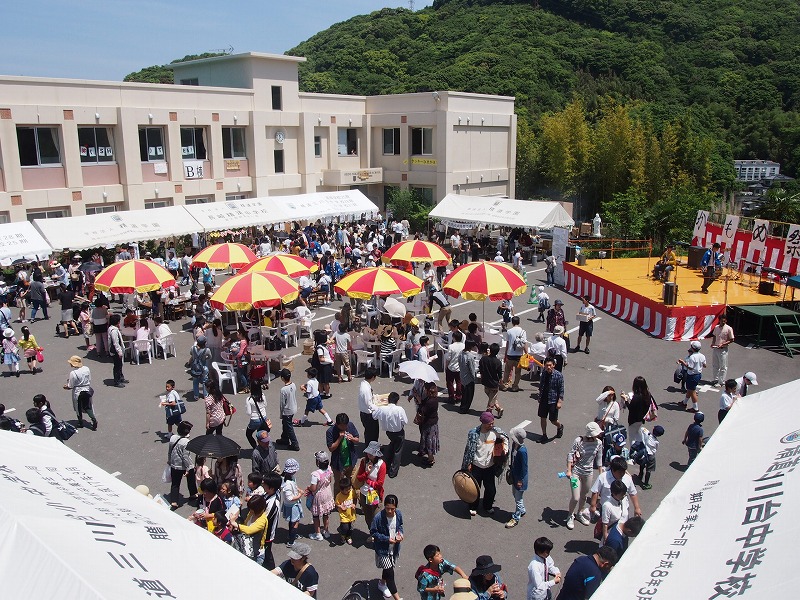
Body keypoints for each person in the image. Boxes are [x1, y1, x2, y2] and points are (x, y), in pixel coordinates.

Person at [461, 412, 508, 516]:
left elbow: (505, 438)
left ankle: (488, 506)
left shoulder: (496, 432)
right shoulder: (473, 434)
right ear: (483, 423)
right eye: (489, 424)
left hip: (489, 467)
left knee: (491, 490)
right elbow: (469, 450)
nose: (491, 425)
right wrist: (468, 463)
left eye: (492, 423)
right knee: (474, 489)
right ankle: (473, 506)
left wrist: (504, 449)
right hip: (476, 466)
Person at [565, 422, 603, 530]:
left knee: (584, 496)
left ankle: (580, 513)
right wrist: (569, 470)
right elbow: (570, 455)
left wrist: (601, 474)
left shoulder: (599, 443)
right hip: (575, 473)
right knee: (576, 497)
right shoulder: (579, 441)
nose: (598, 435)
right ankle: (570, 515)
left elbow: (599, 459)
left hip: (588, 473)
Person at [371, 494, 404, 600]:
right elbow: (373, 532)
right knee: (390, 573)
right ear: (384, 506)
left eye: (392, 509)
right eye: (387, 508)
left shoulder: (398, 514)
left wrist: (400, 534)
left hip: (394, 549)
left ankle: (382, 583)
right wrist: (386, 538)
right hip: (383, 550)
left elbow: (400, 526)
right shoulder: (378, 517)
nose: (390, 511)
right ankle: (398, 598)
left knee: (388, 568)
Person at [372, 391, 408, 478]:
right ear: (397, 401)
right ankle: (393, 472)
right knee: (397, 451)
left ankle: (385, 464)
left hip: (388, 432)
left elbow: (374, 416)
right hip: (398, 432)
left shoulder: (382, 409)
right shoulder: (399, 409)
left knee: (392, 444)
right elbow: (405, 421)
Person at [355, 440, 386, 530]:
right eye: (368, 453)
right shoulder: (364, 462)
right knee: (368, 517)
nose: (369, 455)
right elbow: (359, 478)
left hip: (374, 494)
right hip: (364, 493)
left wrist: (368, 481)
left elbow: (379, 484)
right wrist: (366, 472)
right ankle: (372, 533)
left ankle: (377, 535)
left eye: (371, 453)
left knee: (376, 516)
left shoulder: (381, 465)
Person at [326, 412, 360, 491]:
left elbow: (357, 439)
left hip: (351, 462)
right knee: (339, 485)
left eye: (346, 425)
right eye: (342, 425)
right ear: (337, 424)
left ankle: (351, 500)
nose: (345, 427)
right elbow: (331, 448)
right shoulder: (330, 431)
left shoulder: (350, 425)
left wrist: (353, 439)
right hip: (338, 465)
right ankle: (338, 502)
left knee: (353, 482)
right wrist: (339, 439)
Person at [307, 450, 336, 542]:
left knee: (316, 515)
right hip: (327, 493)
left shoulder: (315, 474)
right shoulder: (329, 469)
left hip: (319, 495)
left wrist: (309, 488)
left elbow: (313, 488)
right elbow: (330, 480)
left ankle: (318, 533)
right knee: (326, 513)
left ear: (318, 462)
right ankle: (326, 531)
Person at [168, 421, 197, 510]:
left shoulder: (173, 438)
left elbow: (170, 450)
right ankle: (193, 494)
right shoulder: (186, 442)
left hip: (174, 464)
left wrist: (169, 460)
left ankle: (174, 501)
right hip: (183, 465)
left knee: (175, 483)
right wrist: (189, 468)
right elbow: (186, 456)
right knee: (191, 479)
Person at [505, 426, 529, 528]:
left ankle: (516, 517)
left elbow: (524, 468)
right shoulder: (515, 445)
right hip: (515, 475)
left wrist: (520, 480)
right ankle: (522, 510)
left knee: (518, 499)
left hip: (520, 479)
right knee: (515, 494)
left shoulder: (522, 451)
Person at [64, 355, 95, 430]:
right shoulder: (86, 369)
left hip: (78, 392)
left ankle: (80, 421)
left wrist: (66, 386)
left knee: (78, 407)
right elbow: (89, 379)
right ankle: (93, 419)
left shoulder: (73, 373)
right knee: (88, 405)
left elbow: (71, 385)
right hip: (87, 389)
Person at [538, 357, 564, 442]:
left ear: (554, 365)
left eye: (550, 365)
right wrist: (539, 396)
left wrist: (560, 401)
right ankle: (544, 435)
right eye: (546, 365)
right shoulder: (544, 374)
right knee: (542, 417)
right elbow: (541, 386)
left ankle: (560, 426)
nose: (548, 367)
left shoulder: (558, 375)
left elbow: (561, 389)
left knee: (553, 420)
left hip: (553, 400)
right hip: (543, 399)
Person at [622, 376, 655, 445]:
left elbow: (631, 408)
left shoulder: (637, 397)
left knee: (632, 438)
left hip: (633, 420)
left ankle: (634, 452)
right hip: (641, 418)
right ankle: (641, 448)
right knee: (638, 434)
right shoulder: (647, 394)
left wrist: (625, 400)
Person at [416, 381, 441, 466]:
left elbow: (423, 410)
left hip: (429, 424)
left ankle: (431, 459)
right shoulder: (434, 399)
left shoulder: (431, 402)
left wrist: (419, 402)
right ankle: (429, 457)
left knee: (429, 442)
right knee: (429, 441)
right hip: (432, 423)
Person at [281, 458, 304, 547]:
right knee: (295, 522)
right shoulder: (287, 484)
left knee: (292, 521)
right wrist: (299, 495)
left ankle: (291, 535)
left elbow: (295, 486)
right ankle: (291, 541)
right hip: (292, 505)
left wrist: (299, 489)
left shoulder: (290, 479)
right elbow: (290, 498)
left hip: (292, 505)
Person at [678, 340, 706, 412]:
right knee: (689, 390)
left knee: (692, 392)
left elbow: (690, 367)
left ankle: (695, 408)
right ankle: (684, 402)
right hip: (698, 374)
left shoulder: (692, 357)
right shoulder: (702, 356)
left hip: (692, 376)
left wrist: (682, 362)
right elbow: (705, 365)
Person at [479, 343, 504, 419]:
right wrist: (501, 381)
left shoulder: (484, 359)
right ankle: (489, 412)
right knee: (492, 397)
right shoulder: (498, 362)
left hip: (485, 381)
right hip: (494, 383)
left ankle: (498, 408)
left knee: (491, 396)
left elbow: (480, 369)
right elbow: (499, 374)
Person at [276, 369, 300, 451]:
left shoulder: (283, 390)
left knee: (289, 427)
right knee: (285, 424)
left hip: (287, 411)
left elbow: (282, 403)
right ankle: (284, 438)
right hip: (293, 408)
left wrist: (281, 414)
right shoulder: (293, 385)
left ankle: (295, 443)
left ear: (282, 378)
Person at [502, 316, 526, 393]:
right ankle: (515, 386)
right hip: (519, 355)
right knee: (518, 372)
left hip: (510, 354)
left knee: (507, 371)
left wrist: (505, 355)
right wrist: (527, 353)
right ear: (519, 322)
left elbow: (508, 343)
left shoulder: (509, 331)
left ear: (512, 322)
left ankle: (505, 385)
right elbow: (524, 343)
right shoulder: (523, 331)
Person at [636, 424, 664, 490]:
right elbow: (655, 449)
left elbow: (642, 428)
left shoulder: (646, 433)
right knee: (649, 470)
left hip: (644, 453)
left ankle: (640, 475)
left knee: (642, 464)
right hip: (651, 456)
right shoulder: (656, 442)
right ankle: (646, 484)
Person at [710, 314, 734, 386]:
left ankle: (721, 381)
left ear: (726, 320)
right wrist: (713, 343)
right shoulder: (716, 327)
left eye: (724, 321)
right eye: (721, 321)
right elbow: (714, 335)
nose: (723, 322)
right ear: (719, 320)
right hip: (716, 348)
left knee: (723, 366)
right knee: (715, 365)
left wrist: (723, 344)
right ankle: (715, 379)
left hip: (723, 349)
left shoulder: (729, 328)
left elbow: (732, 339)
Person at [245, 383, 270, 448]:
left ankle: (255, 447)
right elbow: (265, 405)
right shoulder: (263, 396)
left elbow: (249, 413)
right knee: (262, 434)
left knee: (248, 434)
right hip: (263, 418)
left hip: (254, 420)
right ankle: (263, 446)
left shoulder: (249, 399)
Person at [359, 367, 380, 445]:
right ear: (373, 377)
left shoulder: (364, 384)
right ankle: (370, 451)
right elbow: (369, 404)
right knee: (372, 434)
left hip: (365, 413)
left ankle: (373, 447)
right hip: (368, 415)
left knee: (371, 433)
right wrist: (379, 408)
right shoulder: (366, 389)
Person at [335, 476, 358, 546]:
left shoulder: (352, 492)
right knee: (345, 527)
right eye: (346, 490)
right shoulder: (339, 496)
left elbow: (355, 498)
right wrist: (340, 506)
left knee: (351, 527)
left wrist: (354, 504)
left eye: (349, 488)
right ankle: (343, 535)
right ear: (341, 490)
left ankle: (348, 536)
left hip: (351, 514)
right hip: (344, 515)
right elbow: (336, 504)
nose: (348, 490)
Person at [459, 340, 479, 414]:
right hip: (469, 378)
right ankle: (465, 409)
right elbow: (472, 369)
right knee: (469, 395)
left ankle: (462, 406)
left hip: (462, 376)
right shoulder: (470, 356)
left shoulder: (461, 353)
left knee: (464, 394)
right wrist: (474, 378)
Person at [445, 330, 465, 403]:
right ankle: (458, 396)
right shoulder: (463, 346)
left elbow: (448, 358)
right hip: (460, 368)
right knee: (459, 382)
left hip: (451, 367)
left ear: (454, 338)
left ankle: (451, 397)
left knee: (450, 383)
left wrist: (446, 366)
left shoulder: (451, 346)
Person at [107, 313, 126, 388]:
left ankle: (121, 377)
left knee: (120, 365)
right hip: (115, 351)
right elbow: (115, 343)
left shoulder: (112, 328)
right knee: (117, 366)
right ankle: (117, 381)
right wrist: (119, 352)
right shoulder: (113, 331)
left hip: (116, 350)